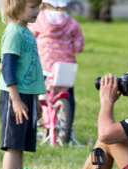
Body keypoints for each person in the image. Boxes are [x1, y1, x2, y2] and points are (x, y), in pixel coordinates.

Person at [0, 0, 46, 169]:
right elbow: (7, 68)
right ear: (16, 7)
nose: (37, 10)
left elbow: (32, 70)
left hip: (27, 96)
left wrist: (37, 100)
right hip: (14, 96)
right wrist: (15, 100)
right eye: (32, 7)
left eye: (38, 6)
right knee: (12, 144)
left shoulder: (27, 32)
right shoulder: (13, 33)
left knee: (21, 145)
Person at [29, 0, 85, 137]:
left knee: (40, 96)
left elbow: (29, 38)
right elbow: (79, 47)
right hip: (66, 67)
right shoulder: (72, 23)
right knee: (68, 95)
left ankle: (40, 123)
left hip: (44, 65)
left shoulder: (39, 20)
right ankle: (67, 126)